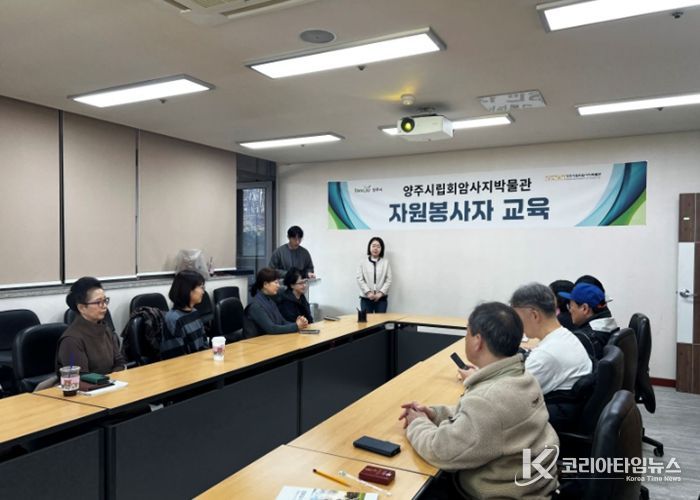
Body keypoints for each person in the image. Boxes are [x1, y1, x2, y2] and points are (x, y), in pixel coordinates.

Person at [399, 302, 559, 499]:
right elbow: (484, 421)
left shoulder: (488, 400)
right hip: (533, 487)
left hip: (504, 494)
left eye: (467, 332)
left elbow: (440, 450)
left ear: (477, 341)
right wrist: (435, 414)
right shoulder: (524, 376)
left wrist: (417, 422)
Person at [511, 283, 593, 431]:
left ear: (534, 315)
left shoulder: (546, 355)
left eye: (517, 318)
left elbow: (507, 397)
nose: (516, 324)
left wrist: (478, 377)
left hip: (549, 427)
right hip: (569, 414)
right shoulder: (565, 335)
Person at [57, 277, 126, 374]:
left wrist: (115, 376)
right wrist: (108, 380)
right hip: (89, 384)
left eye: (105, 300)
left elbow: (119, 362)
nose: (105, 306)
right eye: (98, 302)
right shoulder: (71, 340)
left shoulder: (105, 329)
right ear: (82, 308)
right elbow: (80, 376)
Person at [560, 278, 619, 360]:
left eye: (571, 306)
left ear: (584, 308)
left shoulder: (583, 339)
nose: (570, 310)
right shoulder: (610, 326)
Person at [246, 267, 309, 334]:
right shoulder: (255, 305)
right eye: (276, 283)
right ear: (265, 284)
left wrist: (298, 324)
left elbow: (282, 322)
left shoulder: (270, 301)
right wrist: (296, 326)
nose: (278, 286)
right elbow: (272, 328)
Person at [162, 270, 209, 359]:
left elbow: (204, 342)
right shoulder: (173, 319)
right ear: (188, 290)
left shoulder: (194, 312)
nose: (203, 292)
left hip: (199, 362)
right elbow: (177, 357)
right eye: (201, 287)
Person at [356, 236, 392, 313]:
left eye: (378, 246)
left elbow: (388, 280)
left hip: (381, 299)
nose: (376, 248)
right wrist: (368, 292)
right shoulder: (362, 262)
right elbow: (359, 279)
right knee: (367, 320)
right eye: (373, 246)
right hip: (366, 298)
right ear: (369, 247)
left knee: (381, 320)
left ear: (381, 249)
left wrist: (380, 293)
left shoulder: (386, 262)